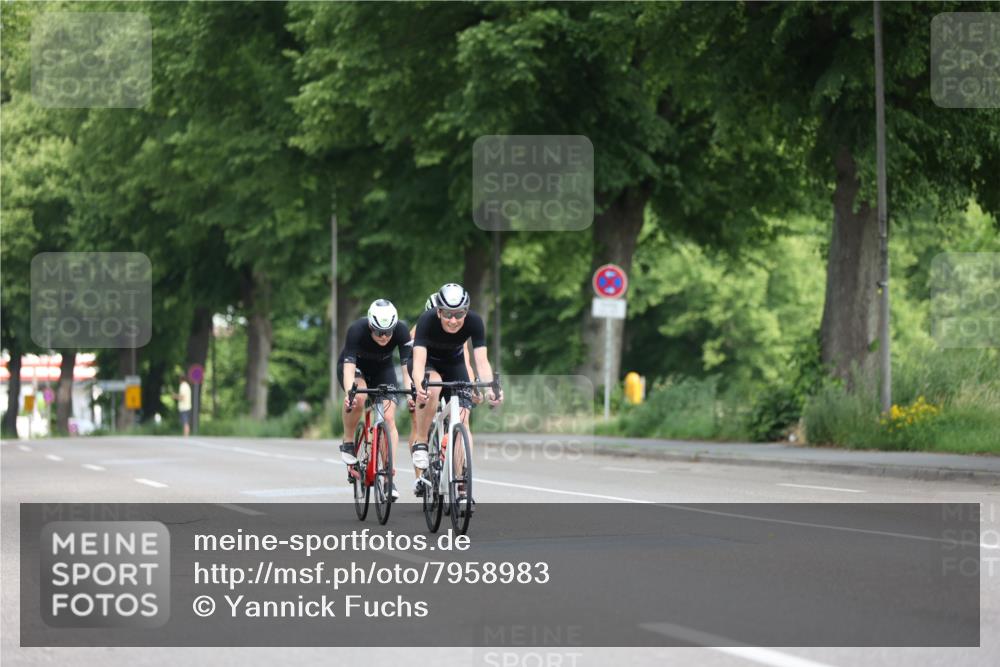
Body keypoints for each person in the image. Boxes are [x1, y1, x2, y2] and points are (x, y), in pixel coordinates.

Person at [409, 283, 503, 498]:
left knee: (464, 419)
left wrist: (489, 388)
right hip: (427, 363)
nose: (453, 320)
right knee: (432, 388)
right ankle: (421, 442)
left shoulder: (475, 322)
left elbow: (481, 361)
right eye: (448, 314)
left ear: (466, 311)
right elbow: (419, 361)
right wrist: (418, 385)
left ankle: (461, 481)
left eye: (459, 314)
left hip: (453, 363)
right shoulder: (427, 320)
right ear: (439, 311)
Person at [338, 299, 414, 500]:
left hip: (382, 369)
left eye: (388, 332)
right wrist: (349, 393)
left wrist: (410, 390)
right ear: (370, 325)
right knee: (360, 396)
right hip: (356, 368)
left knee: (388, 419)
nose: (384, 336)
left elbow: (407, 367)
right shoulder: (357, 329)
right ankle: (348, 441)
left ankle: (389, 477)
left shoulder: (401, 330)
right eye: (379, 332)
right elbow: (348, 368)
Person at [172, 372, 192, 437]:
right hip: (188, 406)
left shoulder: (182, 386)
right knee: (186, 421)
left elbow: (182, 397)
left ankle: (186, 435)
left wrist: (175, 396)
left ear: (180, 379)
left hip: (184, 407)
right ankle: (186, 434)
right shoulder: (187, 385)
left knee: (185, 421)